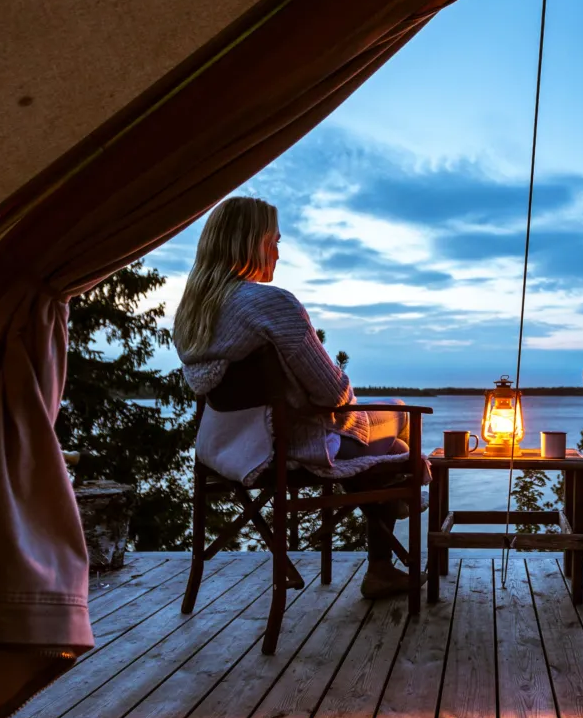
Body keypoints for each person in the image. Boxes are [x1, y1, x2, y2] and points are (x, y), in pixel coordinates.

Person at [173, 195, 419, 599]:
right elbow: (334, 393)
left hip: (224, 447)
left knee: (388, 446)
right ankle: (388, 542)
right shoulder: (271, 304)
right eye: (274, 242)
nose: (278, 253)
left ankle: (390, 523)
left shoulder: (193, 314)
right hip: (287, 445)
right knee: (399, 417)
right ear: (248, 243)